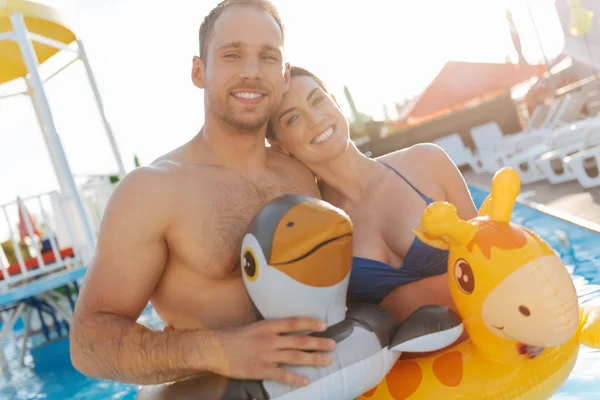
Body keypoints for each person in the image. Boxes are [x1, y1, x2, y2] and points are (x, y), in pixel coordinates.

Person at [69, 0, 338, 390]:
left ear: (283, 77)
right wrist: (217, 349)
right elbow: (87, 342)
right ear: (199, 71)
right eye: (231, 55)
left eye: (267, 57)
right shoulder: (153, 191)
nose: (250, 71)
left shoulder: (301, 168)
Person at [267, 67, 479, 326]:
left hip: (496, 349)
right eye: (292, 119)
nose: (314, 119)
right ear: (279, 147)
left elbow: (493, 255)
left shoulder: (426, 162)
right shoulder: (312, 232)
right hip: (417, 367)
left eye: (317, 100)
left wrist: (402, 301)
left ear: (334, 101)